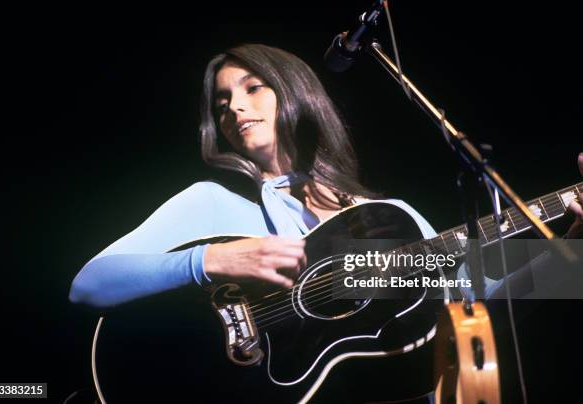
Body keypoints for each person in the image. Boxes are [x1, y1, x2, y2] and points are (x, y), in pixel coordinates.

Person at [68, 44, 583, 402]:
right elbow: (89, 285)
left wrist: (574, 251)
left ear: (295, 91)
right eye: (222, 101)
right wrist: (212, 259)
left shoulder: (387, 219)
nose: (235, 108)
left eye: (253, 87)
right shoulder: (211, 204)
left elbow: (480, 303)